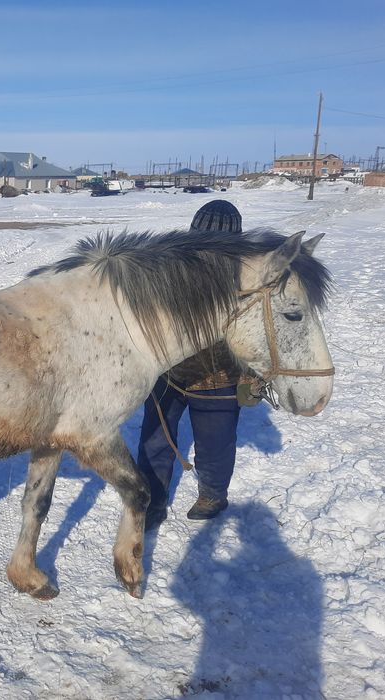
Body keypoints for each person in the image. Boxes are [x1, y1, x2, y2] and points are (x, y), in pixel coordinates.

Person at [137, 200, 245, 529]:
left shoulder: (247, 277)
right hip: (167, 371)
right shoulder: (168, 269)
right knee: (155, 439)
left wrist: (253, 374)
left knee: (216, 442)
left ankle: (213, 494)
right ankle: (152, 499)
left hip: (219, 374)